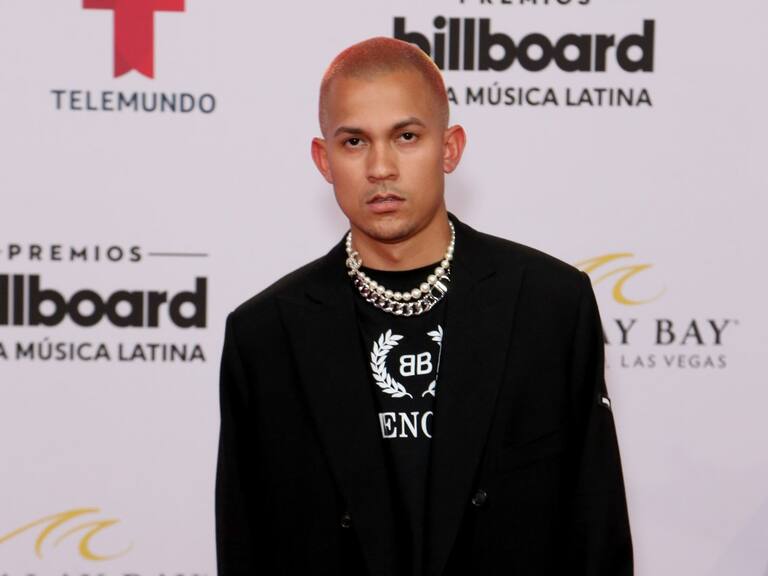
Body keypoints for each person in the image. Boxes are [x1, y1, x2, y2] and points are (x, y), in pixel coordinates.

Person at [215, 37, 633, 576]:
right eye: (354, 142)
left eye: (406, 136)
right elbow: (246, 544)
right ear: (324, 160)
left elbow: (596, 531)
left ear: (449, 148)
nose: (381, 167)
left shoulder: (549, 306)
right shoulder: (264, 336)